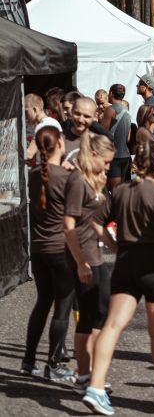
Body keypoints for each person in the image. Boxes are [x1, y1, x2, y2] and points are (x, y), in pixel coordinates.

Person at [83, 138, 154, 415]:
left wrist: (113, 246)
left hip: (126, 261)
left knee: (112, 326)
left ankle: (95, 387)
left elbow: (96, 221)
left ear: (136, 164)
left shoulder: (121, 191)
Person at [22, 128, 79, 384]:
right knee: (63, 306)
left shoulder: (34, 175)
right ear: (59, 144)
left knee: (43, 302)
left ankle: (28, 360)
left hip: (38, 249)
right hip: (60, 249)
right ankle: (54, 364)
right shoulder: (67, 177)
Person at [64, 131, 116, 391]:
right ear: (93, 154)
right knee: (89, 317)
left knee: (101, 313)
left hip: (95, 255)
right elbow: (68, 225)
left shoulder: (93, 179)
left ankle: (92, 372)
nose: (107, 168)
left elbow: (95, 221)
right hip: (84, 257)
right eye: (105, 162)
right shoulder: (77, 180)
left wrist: (114, 246)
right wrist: (80, 263)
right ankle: (85, 375)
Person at [100, 84, 133, 189]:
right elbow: (128, 138)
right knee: (120, 189)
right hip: (125, 156)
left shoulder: (110, 110)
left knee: (114, 191)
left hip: (114, 156)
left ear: (111, 93)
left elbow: (102, 133)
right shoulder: (127, 110)